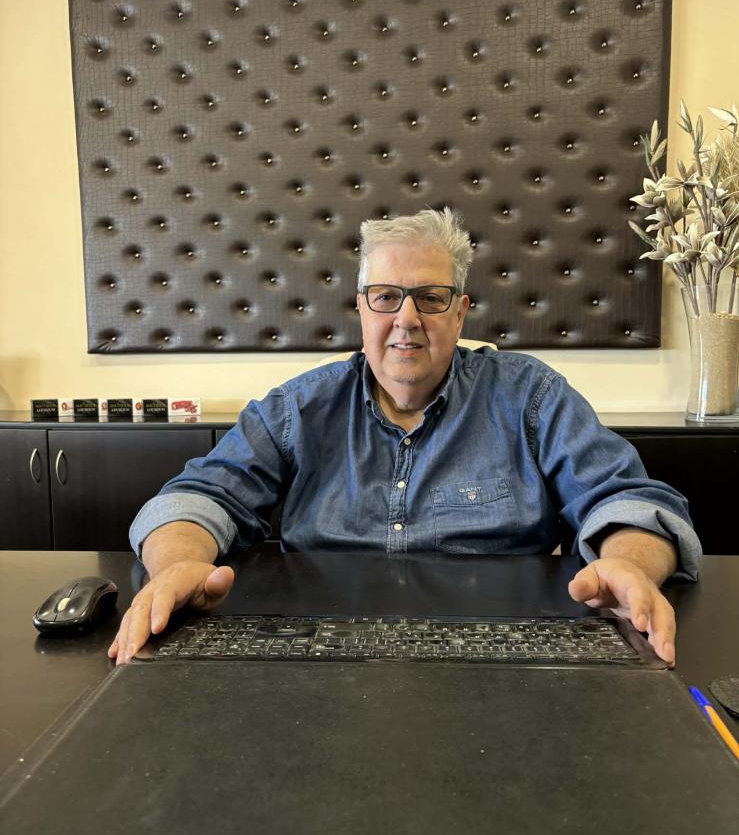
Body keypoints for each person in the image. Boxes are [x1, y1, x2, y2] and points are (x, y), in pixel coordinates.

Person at [110, 208, 700, 666]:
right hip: (321, 656)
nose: (407, 319)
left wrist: (630, 566)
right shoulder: (298, 408)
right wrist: (177, 565)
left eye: (431, 298)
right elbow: (199, 497)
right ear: (362, 309)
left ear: (460, 312)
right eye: (387, 297)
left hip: (501, 655)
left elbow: (630, 500)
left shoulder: (531, 398)